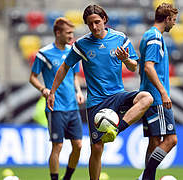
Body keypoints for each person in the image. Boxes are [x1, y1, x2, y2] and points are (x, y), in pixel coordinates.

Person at [47, 5, 153, 180]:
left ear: (104, 19)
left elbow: (134, 66)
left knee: (146, 97)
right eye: (90, 24)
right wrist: (52, 92)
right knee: (96, 148)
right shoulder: (81, 44)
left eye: (97, 22)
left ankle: (115, 129)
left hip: (118, 95)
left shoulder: (120, 38)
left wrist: (125, 59)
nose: (94, 27)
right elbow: (64, 67)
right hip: (97, 101)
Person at [29, 17, 84, 180]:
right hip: (55, 107)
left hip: (72, 106)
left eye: (72, 33)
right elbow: (32, 77)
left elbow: (74, 76)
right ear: (58, 33)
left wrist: (79, 91)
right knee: (57, 145)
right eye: (68, 33)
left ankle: (67, 178)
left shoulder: (72, 52)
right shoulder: (44, 53)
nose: (71, 36)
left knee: (78, 145)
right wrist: (43, 89)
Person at [137, 3, 178, 180]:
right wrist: (163, 92)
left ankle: (146, 178)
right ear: (167, 19)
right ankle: (146, 177)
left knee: (154, 140)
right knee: (171, 139)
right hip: (156, 98)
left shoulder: (148, 35)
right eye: (173, 20)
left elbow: (142, 67)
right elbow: (148, 67)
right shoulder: (155, 37)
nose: (174, 24)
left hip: (148, 95)